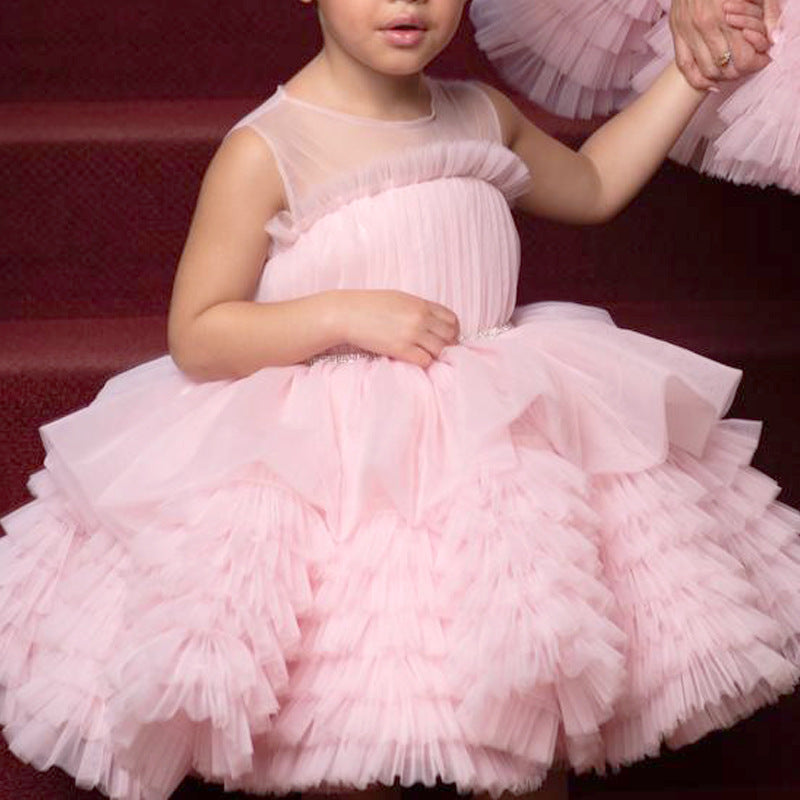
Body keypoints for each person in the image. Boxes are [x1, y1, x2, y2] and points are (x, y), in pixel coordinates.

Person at [1, 2, 798, 800]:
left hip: (491, 454)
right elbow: (200, 332)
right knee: (353, 726)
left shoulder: (483, 113)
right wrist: (343, 313)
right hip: (346, 472)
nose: (407, 3)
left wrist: (690, 77)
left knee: (526, 693)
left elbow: (589, 186)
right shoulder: (267, 147)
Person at [470, 0, 799, 193]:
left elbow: (595, 184)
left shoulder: (484, 118)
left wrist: (701, 68)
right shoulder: (481, 120)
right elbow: (595, 185)